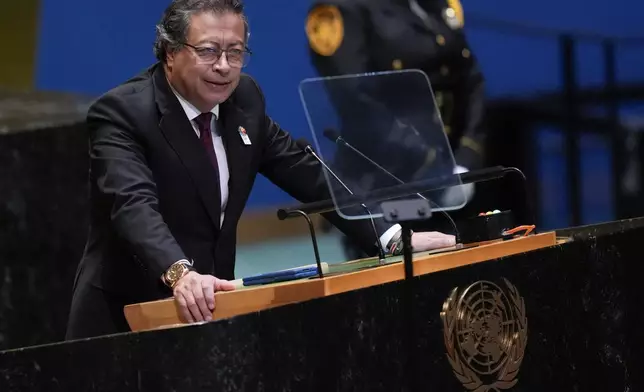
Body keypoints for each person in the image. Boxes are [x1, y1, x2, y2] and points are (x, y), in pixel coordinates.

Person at [65, 0, 457, 340]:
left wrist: (389, 236)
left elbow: (306, 173)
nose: (223, 67)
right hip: (127, 317)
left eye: (235, 52)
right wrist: (180, 273)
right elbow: (133, 206)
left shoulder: (244, 100)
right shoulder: (122, 113)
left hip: (211, 309)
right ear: (170, 53)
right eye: (208, 51)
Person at [305, 0, 488, 259]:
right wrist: (434, 164)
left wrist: (466, 161)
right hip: (388, 181)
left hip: (454, 180)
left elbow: (471, 80)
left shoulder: (432, 5)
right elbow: (355, 98)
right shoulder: (342, 7)